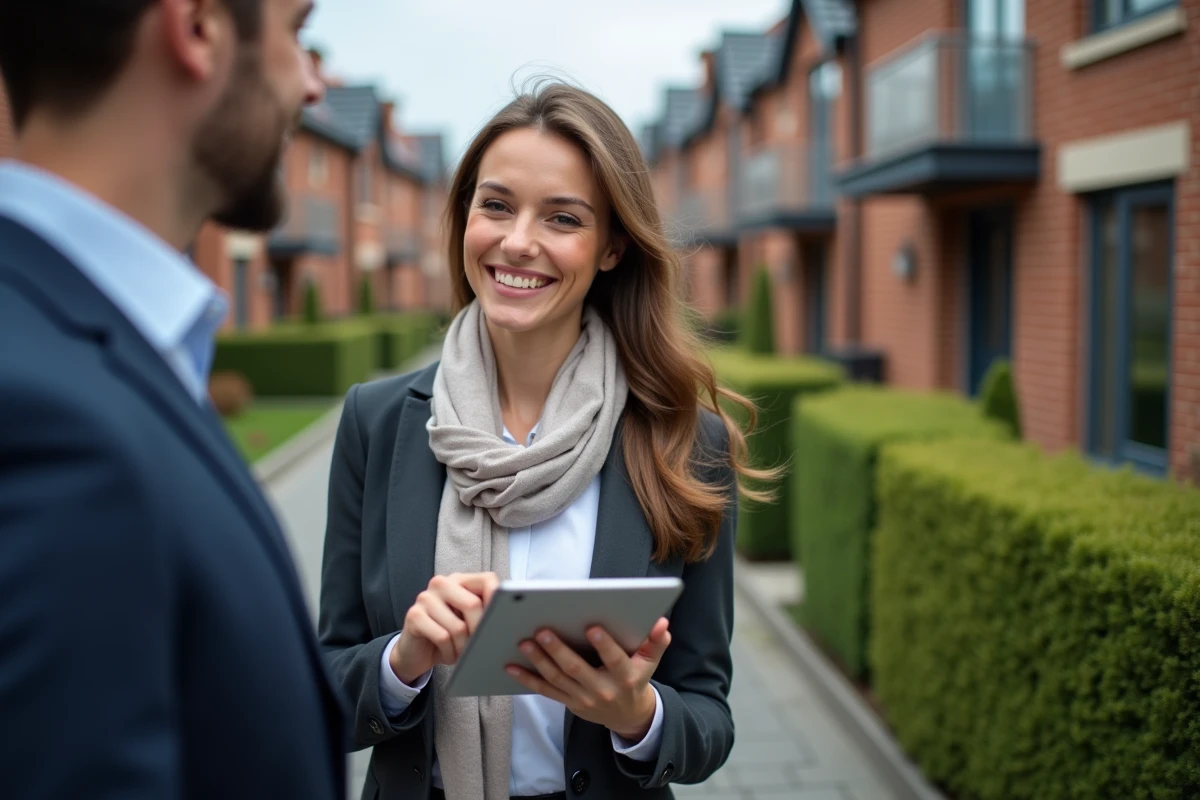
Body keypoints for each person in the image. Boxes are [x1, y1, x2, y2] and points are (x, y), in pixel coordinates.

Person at [318, 81, 772, 800]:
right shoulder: (377, 423)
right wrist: (402, 662)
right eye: (495, 205)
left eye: (562, 218)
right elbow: (325, 689)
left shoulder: (687, 442)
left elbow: (708, 719)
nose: (518, 241)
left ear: (613, 247)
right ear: (465, 216)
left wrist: (637, 715)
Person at [0, 1, 347, 797]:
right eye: (297, 36)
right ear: (197, 27)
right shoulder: (45, 431)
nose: (314, 86)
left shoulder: (85, 348)